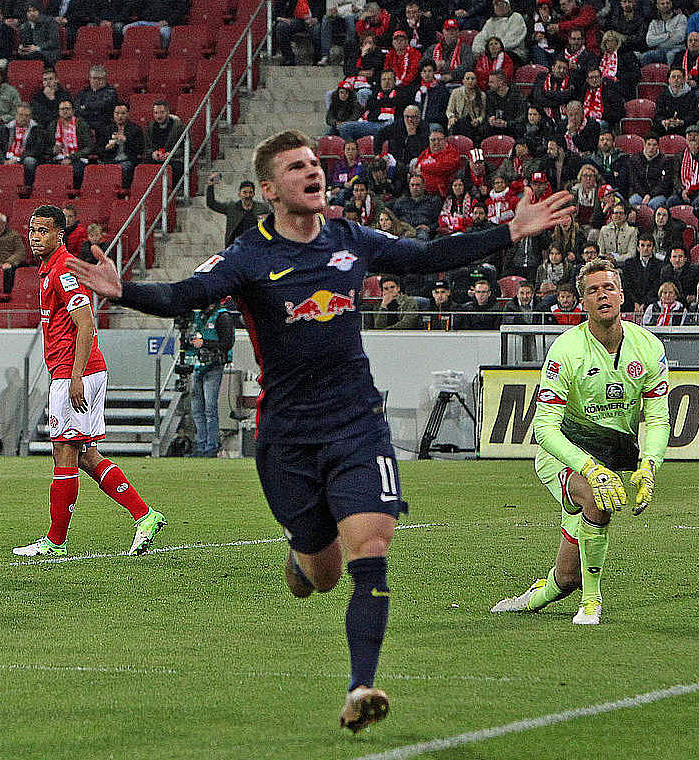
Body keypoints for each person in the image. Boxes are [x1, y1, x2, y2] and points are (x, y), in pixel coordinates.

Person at [65, 129, 575, 732]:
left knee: (373, 547)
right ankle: (302, 557)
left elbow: (428, 255)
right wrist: (125, 291)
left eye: (314, 163)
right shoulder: (247, 254)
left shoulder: (350, 239)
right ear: (272, 190)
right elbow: (189, 294)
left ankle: (362, 685)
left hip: (358, 423)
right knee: (322, 574)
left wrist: (508, 232)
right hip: (288, 436)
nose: (313, 173)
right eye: (297, 167)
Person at [491, 258, 667, 625]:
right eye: (592, 290)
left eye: (608, 288)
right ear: (582, 302)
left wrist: (650, 466)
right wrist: (588, 467)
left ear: (622, 295)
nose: (602, 295)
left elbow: (658, 417)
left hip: (614, 455)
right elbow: (545, 429)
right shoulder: (565, 351)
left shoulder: (649, 347)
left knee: (566, 576)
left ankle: (528, 602)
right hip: (564, 454)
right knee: (595, 494)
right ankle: (592, 602)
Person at [12, 205, 166, 559]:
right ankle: (144, 515)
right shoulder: (49, 269)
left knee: (64, 452)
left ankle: (55, 542)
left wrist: (76, 376)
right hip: (73, 370)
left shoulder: (65, 271)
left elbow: (87, 324)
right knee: (85, 454)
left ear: (59, 235)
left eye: (43, 231)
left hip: (75, 371)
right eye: (32, 230)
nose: (36, 237)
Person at [186, 299, 235, 457]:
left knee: (209, 408)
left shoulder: (223, 317)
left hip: (214, 365)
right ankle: (201, 445)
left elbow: (227, 343)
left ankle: (211, 446)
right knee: (197, 409)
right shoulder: (199, 316)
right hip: (198, 364)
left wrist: (204, 343)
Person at [207, 173, 272, 247]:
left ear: (254, 194)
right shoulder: (231, 208)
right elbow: (211, 204)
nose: (248, 196)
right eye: (244, 192)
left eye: (250, 192)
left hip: (256, 247)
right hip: (235, 248)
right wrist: (210, 185)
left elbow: (276, 211)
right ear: (239, 194)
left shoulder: (262, 208)